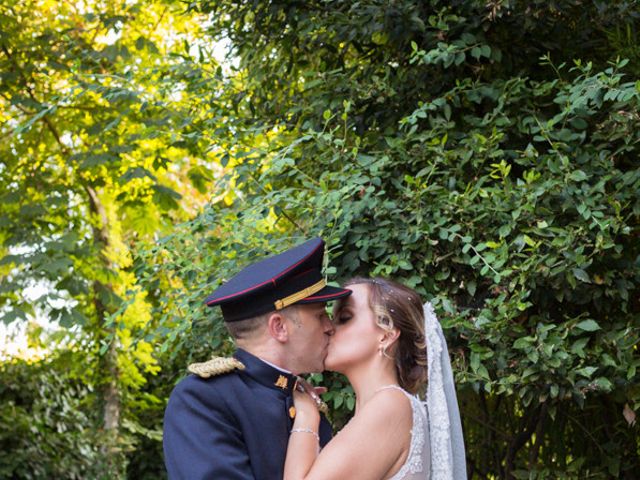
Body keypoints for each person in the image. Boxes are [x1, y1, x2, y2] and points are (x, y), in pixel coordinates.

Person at [163, 237, 351, 479]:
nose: (330, 327)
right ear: (279, 328)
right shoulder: (202, 398)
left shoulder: (303, 399)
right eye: (319, 316)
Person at [284, 277, 467, 480]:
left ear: (386, 335)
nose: (328, 328)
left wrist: (307, 414)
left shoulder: (391, 405)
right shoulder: (386, 406)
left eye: (344, 317)